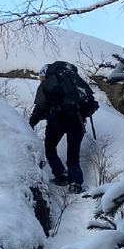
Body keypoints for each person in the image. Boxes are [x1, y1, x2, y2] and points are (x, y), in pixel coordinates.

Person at [29, 61, 98, 193]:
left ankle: (60, 176)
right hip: (78, 120)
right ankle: (75, 183)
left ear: (45, 73)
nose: (41, 80)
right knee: (73, 154)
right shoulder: (75, 80)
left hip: (58, 121)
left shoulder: (50, 82)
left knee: (50, 148)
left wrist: (31, 122)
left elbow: (41, 105)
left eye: (41, 77)